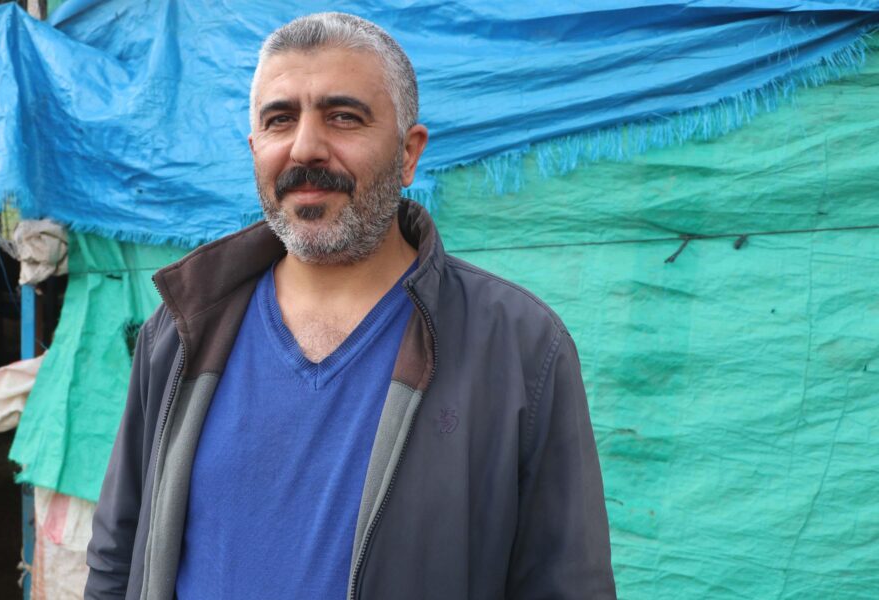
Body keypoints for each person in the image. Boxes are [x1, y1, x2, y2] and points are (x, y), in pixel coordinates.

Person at [85, 12, 616, 600]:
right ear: (255, 148)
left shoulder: (519, 347)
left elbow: (568, 585)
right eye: (280, 120)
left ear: (409, 153)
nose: (305, 147)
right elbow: (117, 555)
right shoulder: (182, 330)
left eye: (343, 117)